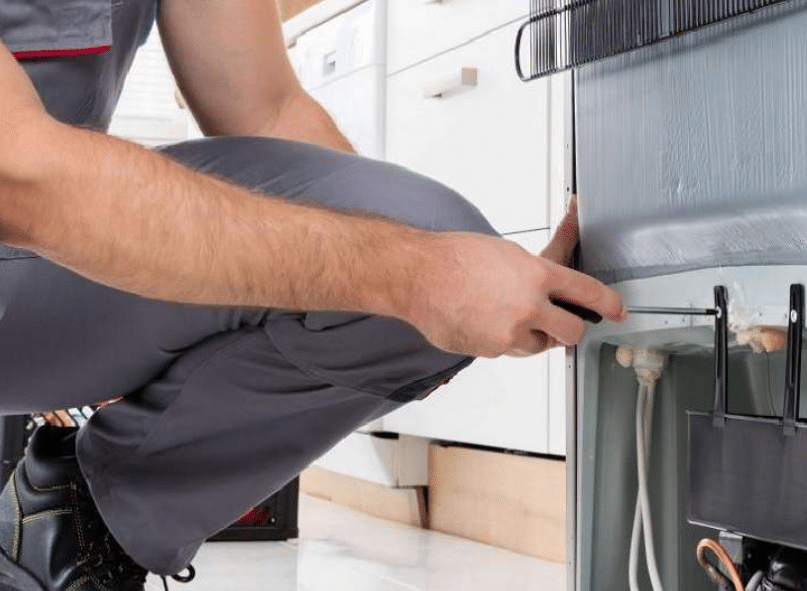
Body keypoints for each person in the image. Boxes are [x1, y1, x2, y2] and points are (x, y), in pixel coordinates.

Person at [0, 1, 626, 589]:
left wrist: (446, 278)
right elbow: (19, 175)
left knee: (421, 240)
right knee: (405, 265)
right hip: (24, 206)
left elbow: (268, 109)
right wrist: (413, 272)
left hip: (44, 269)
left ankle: (70, 522)